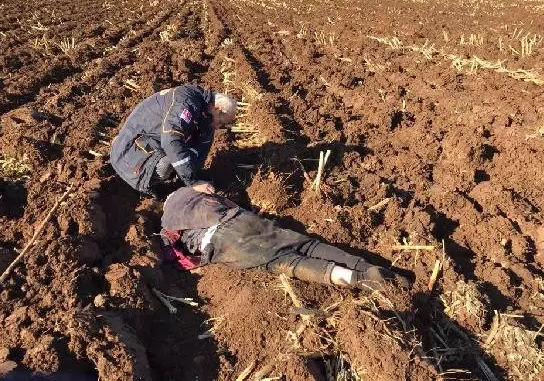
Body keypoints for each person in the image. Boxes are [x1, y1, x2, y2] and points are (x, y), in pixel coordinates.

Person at [160, 186, 410, 291]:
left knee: (286, 262)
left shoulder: (167, 220)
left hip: (224, 239)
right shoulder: (193, 192)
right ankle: (366, 266)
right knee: (307, 244)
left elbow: (173, 253)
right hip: (242, 218)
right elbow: (219, 196)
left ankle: (358, 279)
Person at [110, 85, 237, 198]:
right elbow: (171, 140)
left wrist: (196, 177)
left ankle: (177, 179)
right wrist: (192, 182)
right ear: (216, 109)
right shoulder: (186, 103)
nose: (218, 127)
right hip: (131, 151)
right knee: (167, 163)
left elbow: (200, 148)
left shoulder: (205, 114)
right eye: (220, 122)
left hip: (155, 143)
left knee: (182, 155)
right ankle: (150, 185)